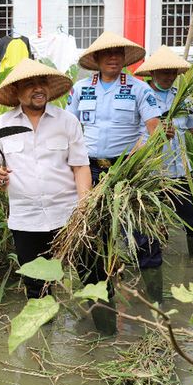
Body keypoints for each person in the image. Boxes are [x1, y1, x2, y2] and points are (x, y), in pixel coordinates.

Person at [66, 31, 161, 335]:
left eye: (118, 53)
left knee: (140, 231)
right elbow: (69, 129)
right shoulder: (81, 89)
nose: (112, 58)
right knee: (93, 230)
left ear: (124, 58)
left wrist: (133, 159)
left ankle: (155, 300)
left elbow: (153, 130)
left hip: (127, 169)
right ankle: (102, 292)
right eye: (106, 54)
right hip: (89, 170)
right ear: (95, 60)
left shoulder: (139, 89)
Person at [0, 59, 91, 301]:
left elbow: (81, 166)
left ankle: (106, 333)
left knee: (93, 275)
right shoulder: (0, 126)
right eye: (30, 84)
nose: (38, 88)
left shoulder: (67, 122)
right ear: (16, 91)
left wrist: (85, 209)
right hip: (26, 220)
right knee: (36, 288)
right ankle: (44, 336)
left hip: (69, 214)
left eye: (42, 82)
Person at [135, 46, 193, 266]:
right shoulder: (140, 96)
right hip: (150, 175)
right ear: (153, 73)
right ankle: (151, 274)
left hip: (181, 173)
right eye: (164, 72)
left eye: (172, 72)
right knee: (149, 228)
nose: (169, 77)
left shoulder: (182, 99)